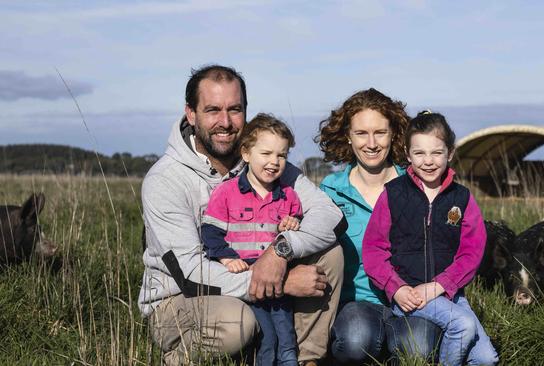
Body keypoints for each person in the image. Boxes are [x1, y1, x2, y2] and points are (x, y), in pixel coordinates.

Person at [138, 64, 345, 366]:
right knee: (237, 324)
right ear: (191, 114)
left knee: (331, 253)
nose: (225, 122)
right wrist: (280, 281)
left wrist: (282, 249)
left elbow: (332, 217)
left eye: (235, 110)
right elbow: (189, 275)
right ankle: (181, 357)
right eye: (213, 110)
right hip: (182, 299)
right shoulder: (165, 180)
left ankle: (303, 359)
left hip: (248, 283)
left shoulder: (264, 161)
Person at [362, 111, 499, 366]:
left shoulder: (462, 198)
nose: (428, 161)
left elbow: (472, 252)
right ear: (407, 154)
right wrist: (396, 287)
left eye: (436, 153)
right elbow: (373, 250)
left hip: (449, 294)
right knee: (463, 324)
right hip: (409, 294)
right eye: (419, 153)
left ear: (450, 153)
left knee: (486, 359)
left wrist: (441, 285)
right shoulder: (393, 195)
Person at [316, 89, 440, 365]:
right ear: (348, 136)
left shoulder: (418, 185)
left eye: (380, 133)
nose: (371, 143)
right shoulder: (330, 191)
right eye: (361, 133)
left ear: (394, 134)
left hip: (414, 299)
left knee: (418, 350)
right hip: (356, 301)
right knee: (356, 341)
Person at [201, 114, 302, 365]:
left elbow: (298, 226)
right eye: (266, 154)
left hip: (277, 282)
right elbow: (210, 233)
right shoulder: (226, 192)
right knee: (266, 337)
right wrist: (226, 257)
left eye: (281, 155)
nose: (274, 162)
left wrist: (293, 224)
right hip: (244, 282)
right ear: (246, 153)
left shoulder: (288, 195)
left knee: (287, 337)